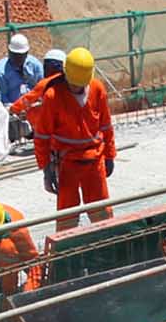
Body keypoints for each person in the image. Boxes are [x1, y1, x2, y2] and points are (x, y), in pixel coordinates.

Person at [12, 44, 115, 232]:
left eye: (80, 84)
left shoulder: (97, 89)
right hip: (67, 163)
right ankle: (66, 249)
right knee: (67, 216)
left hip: (95, 162)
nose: (76, 87)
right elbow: (42, 136)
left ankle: (108, 241)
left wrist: (110, 155)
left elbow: (106, 126)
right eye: (73, 83)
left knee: (102, 214)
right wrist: (46, 168)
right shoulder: (52, 95)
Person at [0, 32, 44, 107]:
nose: (18, 58)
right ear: (9, 52)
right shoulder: (0, 73)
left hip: (34, 106)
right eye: (15, 55)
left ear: (27, 53)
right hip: (12, 110)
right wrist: (16, 109)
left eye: (21, 55)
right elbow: (2, 98)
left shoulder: (35, 66)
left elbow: (42, 86)